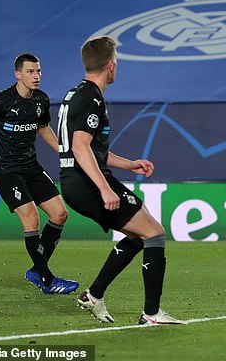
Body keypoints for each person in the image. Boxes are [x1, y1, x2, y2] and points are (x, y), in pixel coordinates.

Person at [58, 36, 183, 325]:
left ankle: (94, 294)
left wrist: (129, 164)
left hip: (76, 180)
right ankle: (151, 314)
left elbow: (91, 148)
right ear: (110, 66)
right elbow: (80, 146)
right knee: (154, 232)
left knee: (140, 235)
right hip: (87, 182)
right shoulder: (91, 98)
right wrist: (103, 188)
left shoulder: (75, 93)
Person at [0, 53, 78, 294]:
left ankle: (36, 271)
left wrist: (63, 151)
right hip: (7, 170)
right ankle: (47, 279)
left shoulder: (41, 100)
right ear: (18, 74)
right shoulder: (0, 101)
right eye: (30, 72)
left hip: (31, 167)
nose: (36, 76)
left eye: (38, 71)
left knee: (60, 214)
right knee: (31, 218)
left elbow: (42, 127)